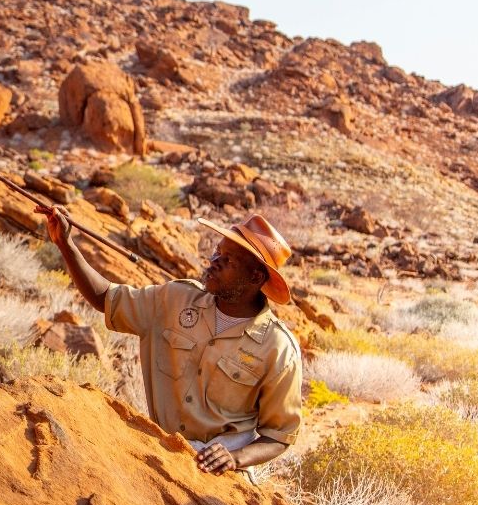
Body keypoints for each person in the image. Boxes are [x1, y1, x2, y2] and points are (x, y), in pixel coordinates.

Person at [39, 205, 302, 480]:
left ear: (255, 277)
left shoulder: (278, 349)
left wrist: (235, 458)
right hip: (159, 455)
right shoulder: (174, 299)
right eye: (217, 252)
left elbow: (279, 435)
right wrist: (65, 244)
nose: (214, 261)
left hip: (221, 475)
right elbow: (106, 299)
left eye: (229, 260)